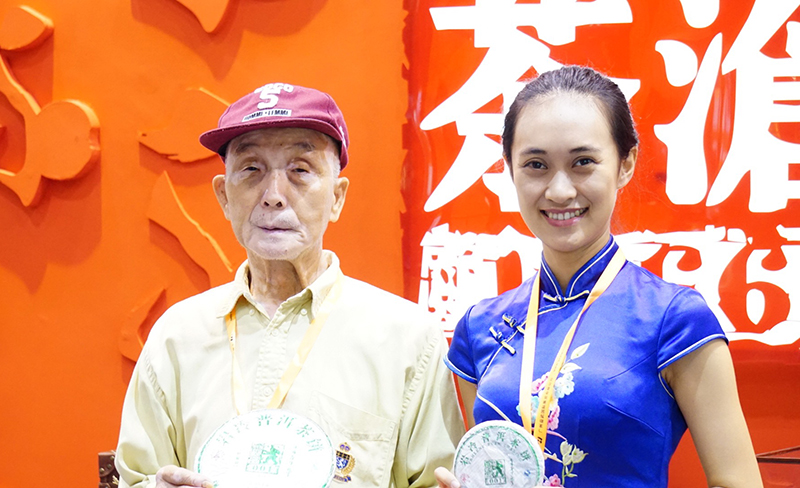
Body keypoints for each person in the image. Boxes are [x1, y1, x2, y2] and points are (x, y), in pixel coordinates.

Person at [115, 82, 465, 488]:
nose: (274, 195)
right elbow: (135, 478)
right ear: (224, 196)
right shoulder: (176, 337)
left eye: (300, 170)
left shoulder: (408, 338)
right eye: (252, 169)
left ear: (337, 197)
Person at [434, 66, 762, 488]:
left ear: (626, 164)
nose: (559, 191)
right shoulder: (481, 327)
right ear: (510, 170)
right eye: (536, 165)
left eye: (583, 163)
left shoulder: (674, 319)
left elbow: (737, 481)